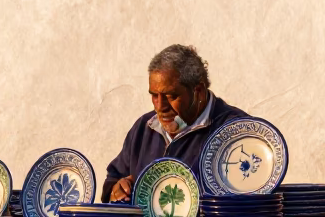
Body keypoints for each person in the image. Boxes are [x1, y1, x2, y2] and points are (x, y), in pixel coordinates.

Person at [103, 44, 249, 202]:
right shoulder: (144, 127)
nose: (160, 107)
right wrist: (116, 189)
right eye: (154, 96)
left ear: (198, 91)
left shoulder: (237, 131)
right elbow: (114, 177)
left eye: (171, 96)